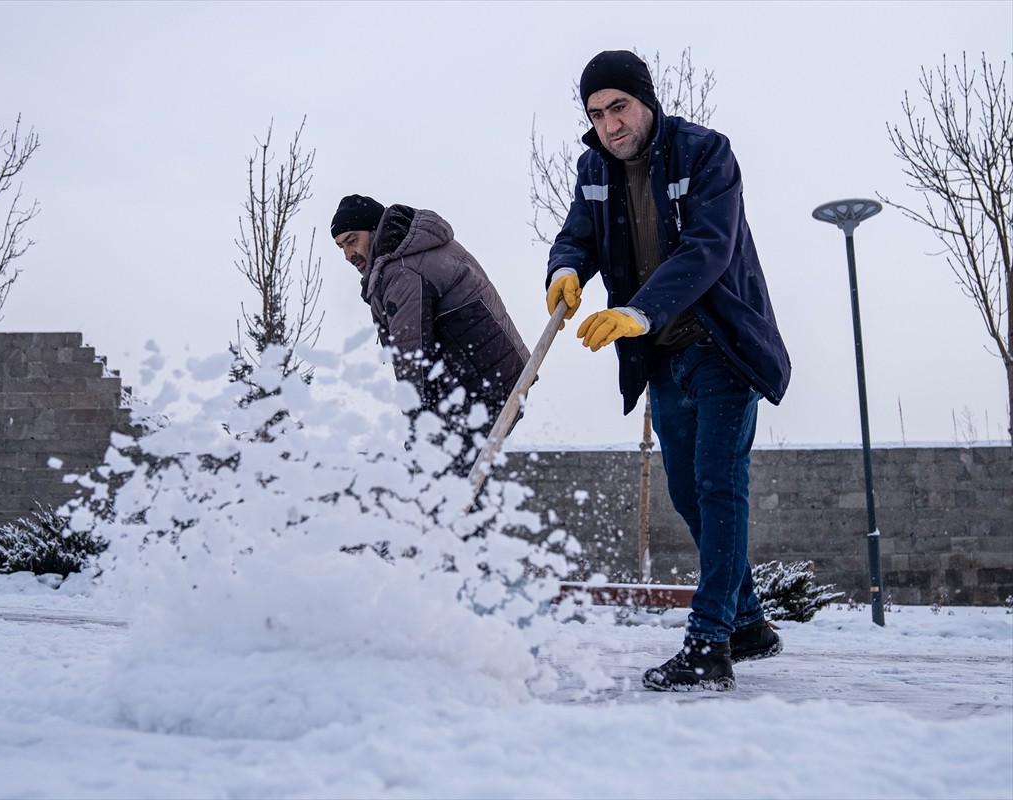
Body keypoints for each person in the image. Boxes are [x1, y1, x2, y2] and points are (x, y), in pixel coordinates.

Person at [545, 51, 791, 691]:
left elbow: (709, 246)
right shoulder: (592, 168)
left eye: (618, 107)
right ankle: (749, 624)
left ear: (646, 102)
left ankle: (710, 645)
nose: (609, 124)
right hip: (662, 358)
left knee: (718, 488)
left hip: (720, 347)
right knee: (687, 493)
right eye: (596, 113)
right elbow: (579, 235)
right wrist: (565, 269)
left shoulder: (706, 154)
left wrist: (639, 311)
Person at [331, 195, 529, 478]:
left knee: (449, 491)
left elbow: (413, 358)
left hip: (483, 388)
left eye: (353, 241)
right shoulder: (413, 250)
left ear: (375, 230)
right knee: (464, 488)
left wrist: (416, 436)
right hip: (496, 378)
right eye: (341, 247)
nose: (349, 255)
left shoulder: (402, 271)